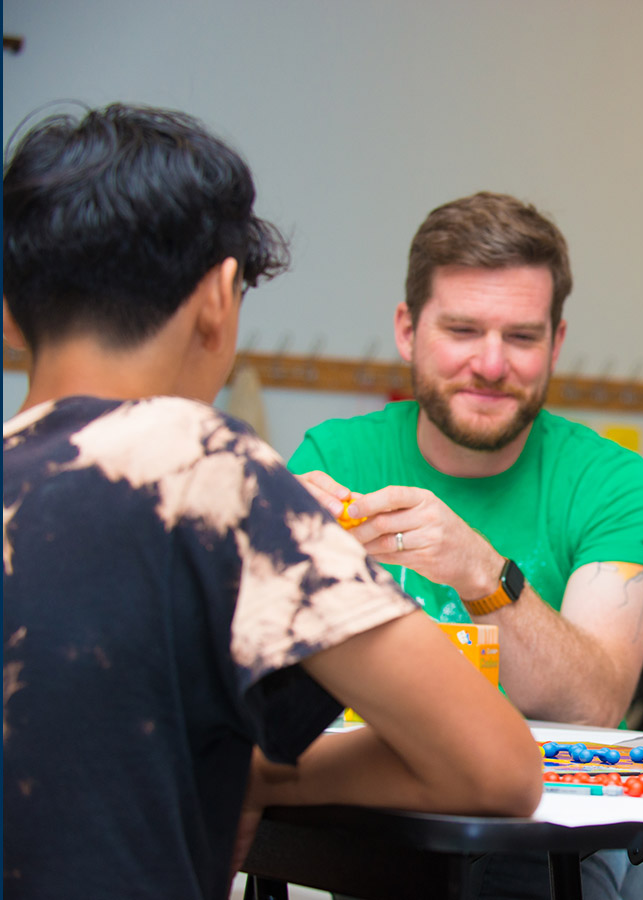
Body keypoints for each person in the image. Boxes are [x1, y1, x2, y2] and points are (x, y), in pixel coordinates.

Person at [2, 104, 542, 900]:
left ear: (13, 311)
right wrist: (270, 777)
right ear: (220, 299)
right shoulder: (212, 470)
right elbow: (497, 768)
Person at [288, 191, 643, 898]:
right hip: (377, 818)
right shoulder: (333, 458)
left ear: (557, 342)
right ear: (408, 330)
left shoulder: (615, 483)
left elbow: (594, 706)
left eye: (523, 337)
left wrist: (477, 568)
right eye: (464, 330)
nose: (492, 364)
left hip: (544, 831)